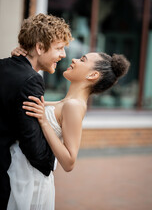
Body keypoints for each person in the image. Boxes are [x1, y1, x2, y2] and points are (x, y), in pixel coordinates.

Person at [10, 48, 130, 209]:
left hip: (32, 181)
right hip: (22, 173)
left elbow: (69, 162)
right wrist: (21, 62)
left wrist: (45, 122)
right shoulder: (65, 103)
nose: (74, 60)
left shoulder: (74, 106)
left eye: (82, 60)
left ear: (92, 75)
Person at [0, 13, 73, 210]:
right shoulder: (32, 80)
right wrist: (50, 165)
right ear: (39, 47)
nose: (63, 55)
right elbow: (31, 142)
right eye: (59, 48)